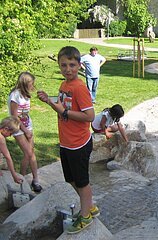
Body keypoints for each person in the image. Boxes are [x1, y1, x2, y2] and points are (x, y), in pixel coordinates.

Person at [37, 46, 99, 234]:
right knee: (71, 179)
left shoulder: (80, 88)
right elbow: (62, 109)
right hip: (66, 142)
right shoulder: (64, 85)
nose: (68, 69)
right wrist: (49, 101)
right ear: (59, 66)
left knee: (82, 182)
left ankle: (86, 215)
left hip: (78, 143)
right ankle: (90, 206)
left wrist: (64, 111)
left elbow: (89, 116)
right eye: (63, 65)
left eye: (72, 65)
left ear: (79, 65)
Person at [8, 72, 42, 192]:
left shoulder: (25, 94)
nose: (33, 86)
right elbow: (14, 116)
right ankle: (21, 178)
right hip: (17, 128)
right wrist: (25, 130)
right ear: (25, 83)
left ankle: (35, 179)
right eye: (31, 84)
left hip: (28, 125)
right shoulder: (15, 96)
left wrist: (28, 128)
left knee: (31, 152)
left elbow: (25, 112)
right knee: (28, 153)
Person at [0, 116, 23, 183]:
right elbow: (8, 157)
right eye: (11, 133)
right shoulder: (1, 139)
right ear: (5, 129)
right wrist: (14, 176)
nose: (10, 136)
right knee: (5, 164)